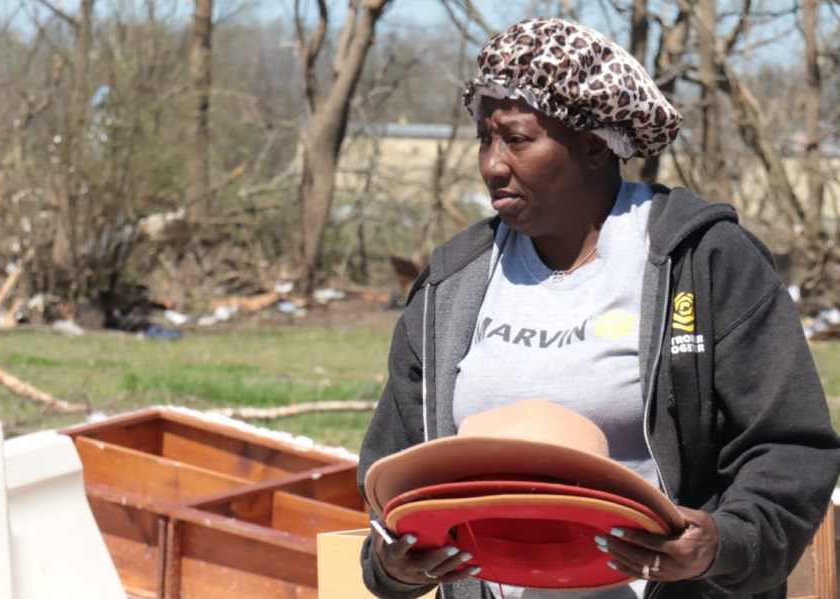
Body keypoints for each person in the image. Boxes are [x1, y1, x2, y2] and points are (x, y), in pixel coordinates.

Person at [356, 16, 840, 599]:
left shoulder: (701, 262)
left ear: (593, 146)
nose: (491, 164)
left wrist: (722, 543)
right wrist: (393, 565)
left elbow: (789, 445)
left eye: (515, 138)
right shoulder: (451, 284)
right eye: (484, 138)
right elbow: (396, 469)